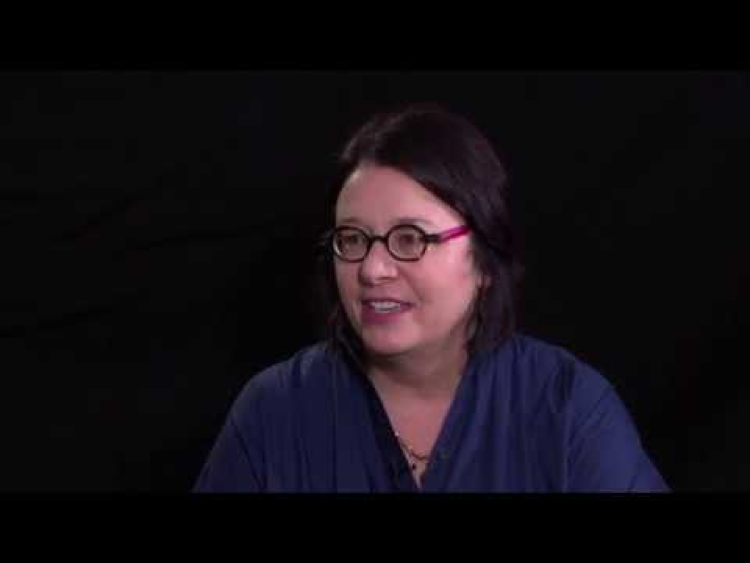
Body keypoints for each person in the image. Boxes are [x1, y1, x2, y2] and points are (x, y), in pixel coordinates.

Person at [194, 103, 669, 492]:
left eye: (410, 239)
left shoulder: (568, 408)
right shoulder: (274, 412)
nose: (372, 270)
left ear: (484, 259)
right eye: (352, 239)